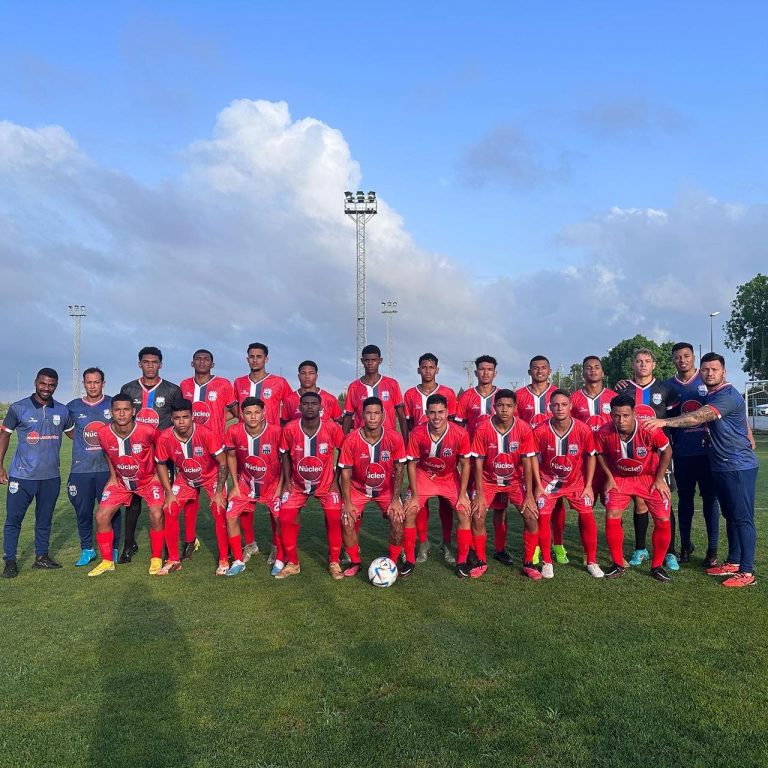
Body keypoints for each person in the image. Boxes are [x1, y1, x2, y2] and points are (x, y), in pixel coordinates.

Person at [645, 353, 758, 588]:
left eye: (714, 369)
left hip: (737, 465)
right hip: (721, 464)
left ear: (724, 372)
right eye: (705, 369)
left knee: (742, 518)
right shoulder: (713, 394)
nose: (709, 373)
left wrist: (665, 422)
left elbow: (699, 416)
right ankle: (734, 561)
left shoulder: (727, 394)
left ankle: (747, 572)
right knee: (730, 515)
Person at [1, 368, 74, 578]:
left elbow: (75, 436)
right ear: (35, 382)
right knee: (14, 520)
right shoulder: (18, 408)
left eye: (51, 385)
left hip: (50, 477)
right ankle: (10, 561)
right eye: (43, 383)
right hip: (22, 477)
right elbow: (4, 436)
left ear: (56, 386)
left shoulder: (62, 410)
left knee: (44, 520)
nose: (46, 388)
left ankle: (41, 557)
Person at [594, 394, 673, 582]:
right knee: (612, 515)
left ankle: (657, 566)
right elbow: (599, 453)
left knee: (663, 519)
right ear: (611, 415)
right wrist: (609, 476)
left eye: (626, 415)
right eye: (616, 416)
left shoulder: (649, 429)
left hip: (648, 478)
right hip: (620, 479)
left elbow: (667, 450)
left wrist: (659, 479)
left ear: (634, 414)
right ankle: (617, 564)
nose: (621, 420)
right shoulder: (604, 432)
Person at [88, 394, 166, 577]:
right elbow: (107, 453)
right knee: (101, 516)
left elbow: (162, 448)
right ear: (111, 412)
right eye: (117, 410)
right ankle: (107, 561)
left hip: (148, 481)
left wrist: (158, 475)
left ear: (133, 411)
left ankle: (156, 558)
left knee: (156, 514)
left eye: (126, 409)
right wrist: (112, 475)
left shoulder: (148, 430)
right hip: (121, 482)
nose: (122, 414)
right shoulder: (103, 433)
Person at [615, 348, 679, 571]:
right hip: (634, 456)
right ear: (632, 365)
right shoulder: (624, 389)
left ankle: (670, 551)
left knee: (664, 499)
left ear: (654, 365)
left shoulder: (666, 389)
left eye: (647, 361)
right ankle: (640, 548)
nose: (643, 364)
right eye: (639, 361)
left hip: (660, 454)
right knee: (639, 501)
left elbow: (673, 420)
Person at [118, 346, 183, 564]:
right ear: (140, 364)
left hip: (163, 457)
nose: (150, 366)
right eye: (146, 362)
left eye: (154, 362)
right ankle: (128, 544)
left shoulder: (172, 390)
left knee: (164, 500)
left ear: (160, 364)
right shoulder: (128, 388)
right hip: (135, 455)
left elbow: (178, 420)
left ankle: (165, 544)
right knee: (133, 501)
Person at [531, 390, 603, 579]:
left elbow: (591, 456)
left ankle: (592, 561)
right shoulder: (540, 430)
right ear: (550, 407)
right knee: (543, 517)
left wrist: (588, 486)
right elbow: (532, 458)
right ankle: (547, 562)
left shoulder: (583, 429)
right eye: (556, 405)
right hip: (548, 482)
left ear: (570, 406)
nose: (560, 408)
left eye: (564, 404)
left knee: (587, 516)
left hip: (576, 482)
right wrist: (538, 485)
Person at [471, 389, 541, 580]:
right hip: (488, 481)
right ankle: (480, 560)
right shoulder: (483, 428)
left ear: (515, 407)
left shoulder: (524, 428)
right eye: (500, 405)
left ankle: (529, 562)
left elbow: (527, 462)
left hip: (515, 482)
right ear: (494, 407)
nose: (504, 409)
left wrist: (529, 495)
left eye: (509, 406)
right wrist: (479, 494)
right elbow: (478, 463)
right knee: (477, 515)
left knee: (531, 516)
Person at [155, 400, 229, 576]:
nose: (181, 421)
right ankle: (173, 560)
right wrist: (169, 493)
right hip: (185, 478)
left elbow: (223, 463)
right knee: (169, 508)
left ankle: (224, 559)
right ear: (171, 419)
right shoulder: (165, 438)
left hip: (211, 477)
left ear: (192, 417)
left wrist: (219, 492)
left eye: (185, 417)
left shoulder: (206, 434)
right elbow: (160, 464)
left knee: (219, 509)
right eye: (177, 418)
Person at [277, 392, 345, 579]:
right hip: (297, 485)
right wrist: (287, 481)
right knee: (284, 518)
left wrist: (336, 481)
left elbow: (344, 453)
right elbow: (284, 454)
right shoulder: (290, 428)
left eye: (314, 404)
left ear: (321, 408)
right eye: (305, 404)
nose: (309, 407)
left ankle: (334, 561)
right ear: (299, 407)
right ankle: (293, 563)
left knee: (334, 519)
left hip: (326, 484)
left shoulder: (332, 428)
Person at [663, 343, 720, 566]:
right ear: (673, 360)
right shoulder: (668, 386)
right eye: (678, 357)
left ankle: (712, 549)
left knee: (710, 500)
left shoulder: (706, 380)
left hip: (708, 453)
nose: (682, 360)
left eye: (686, 356)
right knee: (685, 500)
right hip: (682, 453)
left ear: (693, 357)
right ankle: (685, 545)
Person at [405, 394, 472, 578]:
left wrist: (463, 494)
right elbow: (411, 464)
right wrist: (414, 496)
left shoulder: (460, 433)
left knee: (463, 511)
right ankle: (410, 559)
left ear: (447, 412)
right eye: (432, 412)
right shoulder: (417, 433)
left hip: (448, 477)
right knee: (410, 510)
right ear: (426, 413)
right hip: (423, 475)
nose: (437, 417)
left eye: (441, 412)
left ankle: (460, 561)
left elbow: (465, 464)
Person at [338, 397, 407, 577]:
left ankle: (392, 561)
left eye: (377, 413)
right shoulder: (351, 439)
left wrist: (396, 500)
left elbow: (400, 469)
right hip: (358, 489)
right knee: (346, 520)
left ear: (383, 415)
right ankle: (355, 561)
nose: (373, 417)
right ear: (362, 415)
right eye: (369, 413)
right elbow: (345, 473)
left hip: (385, 490)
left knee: (398, 519)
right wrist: (347, 502)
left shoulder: (394, 438)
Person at [179, 348, 237, 557]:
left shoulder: (223, 384)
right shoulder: (184, 385)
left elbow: (235, 411)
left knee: (219, 501)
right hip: (188, 450)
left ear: (212, 364)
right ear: (192, 363)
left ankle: (228, 545)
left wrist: (220, 419)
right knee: (189, 497)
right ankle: (189, 540)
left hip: (215, 453)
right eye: (198, 359)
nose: (202, 362)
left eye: (206, 360)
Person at [455, 355, 510, 566]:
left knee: (500, 508)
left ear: (495, 372)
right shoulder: (467, 397)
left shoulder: (503, 396)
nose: (485, 372)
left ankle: (500, 548)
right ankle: (471, 548)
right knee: (472, 504)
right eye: (482, 369)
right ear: (476, 371)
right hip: (472, 459)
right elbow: (459, 429)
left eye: (489, 369)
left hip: (498, 459)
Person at [402, 353, 457, 564]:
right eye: (424, 367)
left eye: (431, 367)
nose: (427, 370)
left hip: (445, 457)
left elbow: (453, 424)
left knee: (446, 502)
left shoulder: (448, 393)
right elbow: (408, 424)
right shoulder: (410, 394)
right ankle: (423, 543)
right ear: (419, 370)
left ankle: (446, 542)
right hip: (421, 455)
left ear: (437, 370)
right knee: (418, 502)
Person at [65, 367, 120, 567]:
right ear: (84, 384)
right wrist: (82, 442)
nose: (93, 386)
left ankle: (113, 548)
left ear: (103, 383)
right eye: (89, 382)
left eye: (96, 382)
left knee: (111, 511)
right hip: (81, 469)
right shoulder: (73, 406)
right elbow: (69, 431)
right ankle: (87, 549)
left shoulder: (112, 404)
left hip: (107, 469)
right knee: (83, 512)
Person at [515, 355, 567, 566]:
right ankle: (535, 546)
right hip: (527, 455)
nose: (539, 371)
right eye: (535, 368)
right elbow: (514, 423)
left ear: (549, 371)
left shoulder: (558, 394)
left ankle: (558, 544)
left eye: (543, 367)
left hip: (554, 454)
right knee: (533, 502)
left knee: (557, 499)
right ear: (529, 372)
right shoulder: (520, 395)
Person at [225, 397, 284, 576]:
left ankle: (279, 556)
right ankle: (238, 560)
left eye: (257, 412)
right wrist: (235, 485)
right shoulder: (234, 431)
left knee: (279, 517)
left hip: (272, 484)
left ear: (264, 413)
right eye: (248, 413)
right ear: (242, 414)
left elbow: (286, 460)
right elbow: (231, 456)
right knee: (230, 515)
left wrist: (281, 486)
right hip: (245, 483)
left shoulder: (276, 431)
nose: (253, 416)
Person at [342, 344, 407, 434]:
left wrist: (405, 440)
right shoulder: (354, 387)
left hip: (387, 438)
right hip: (361, 439)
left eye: (374, 360)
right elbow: (348, 417)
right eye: (366, 360)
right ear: (362, 361)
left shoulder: (392, 384)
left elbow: (401, 416)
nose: (370, 363)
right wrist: (345, 440)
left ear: (380, 360)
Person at [233, 342, 292, 425]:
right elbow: (233, 408)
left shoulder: (279, 382)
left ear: (266, 359)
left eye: (259, 357)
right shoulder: (238, 382)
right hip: (244, 431)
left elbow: (292, 407)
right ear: (247, 359)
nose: (255, 360)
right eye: (251, 357)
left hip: (271, 431)